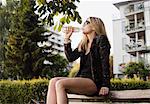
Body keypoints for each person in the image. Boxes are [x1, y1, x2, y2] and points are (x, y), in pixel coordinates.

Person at [46, 17, 111, 104]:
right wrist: (66, 39)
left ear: (94, 26)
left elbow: (105, 63)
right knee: (53, 81)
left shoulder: (101, 40)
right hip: (82, 79)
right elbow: (70, 58)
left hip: (94, 81)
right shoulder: (83, 44)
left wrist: (105, 85)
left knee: (60, 84)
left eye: (87, 22)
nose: (83, 25)